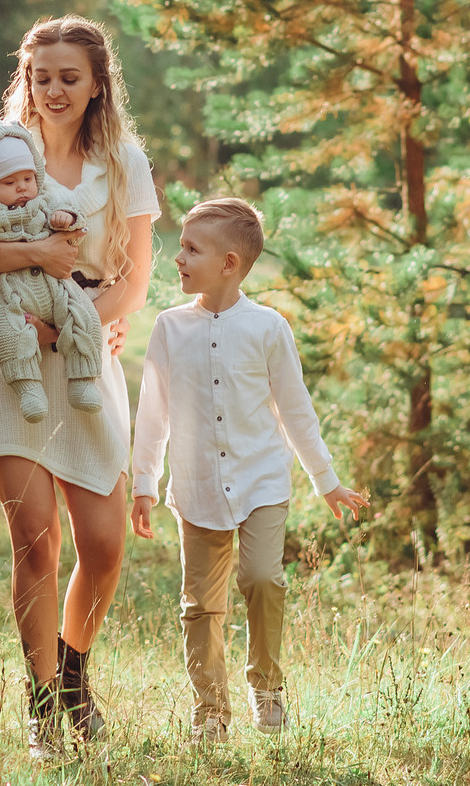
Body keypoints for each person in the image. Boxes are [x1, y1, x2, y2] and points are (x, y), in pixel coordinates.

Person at [0, 16, 157, 758]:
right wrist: (29, 270)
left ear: (97, 84)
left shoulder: (123, 160)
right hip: (7, 347)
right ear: (25, 79)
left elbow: (136, 279)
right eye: (42, 76)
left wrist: (78, 323)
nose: (54, 89)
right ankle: (39, 709)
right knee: (36, 542)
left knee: (103, 542)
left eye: (70, 76)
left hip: (84, 347)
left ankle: (72, 671)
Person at [130, 197, 369, 740]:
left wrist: (326, 481)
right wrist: (144, 482)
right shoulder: (170, 328)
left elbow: (295, 409)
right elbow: (154, 411)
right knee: (200, 605)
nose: (179, 259)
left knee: (262, 578)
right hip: (196, 486)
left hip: (262, 481)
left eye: (191, 249)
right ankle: (211, 711)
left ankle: (266, 684)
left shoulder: (268, 328)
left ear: (229, 263)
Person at [0, 114, 104, 421]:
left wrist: (65, 219)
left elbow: (72, 212)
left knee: (82, 316)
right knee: (9, 335)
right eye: (9, 182)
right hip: (9, 295)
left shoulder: (43, 202)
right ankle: (28, 388)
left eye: (27, 179)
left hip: (57, 289)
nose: (22, 188)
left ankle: (83, 380)